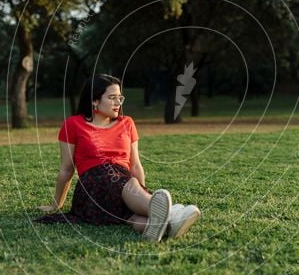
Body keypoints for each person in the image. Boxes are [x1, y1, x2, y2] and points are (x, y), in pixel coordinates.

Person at [36, 74, 201, 242]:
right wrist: (56, 203)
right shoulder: (73, 124)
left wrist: (141, 193)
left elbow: (135, 165)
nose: (117, 103)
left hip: (123, 185)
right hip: (93, 187)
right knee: (119, 179)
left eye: (119, 98)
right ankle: (174, 214)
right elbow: (66, 168)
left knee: (133, 213)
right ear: (94, 101)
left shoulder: (127, 123)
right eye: (111, 97)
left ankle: (165, 227)